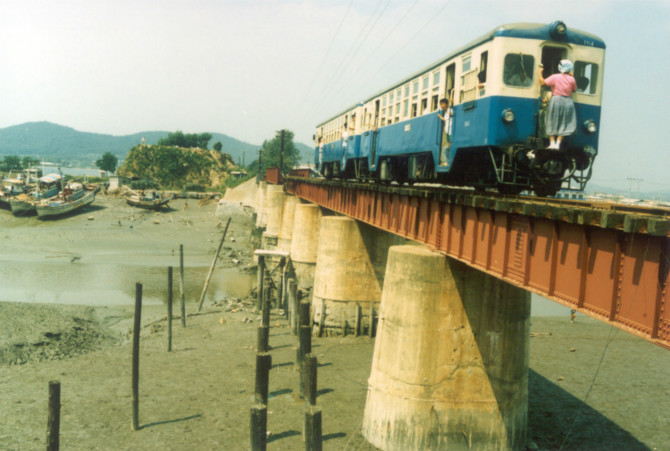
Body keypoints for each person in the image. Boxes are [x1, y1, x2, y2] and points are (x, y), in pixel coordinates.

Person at [538, 59, 577, 150]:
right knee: (564, 122)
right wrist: (571, 77)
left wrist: (540, 73)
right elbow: (574, 90)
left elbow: (542, 82)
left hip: (556, 99)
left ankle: (552, 143)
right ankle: (558, 144)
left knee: (551, 120)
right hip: (568, 101)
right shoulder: (572, 79)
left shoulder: (555, 77)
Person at [436, 97, 452, 166]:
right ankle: (447, 161)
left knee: (446, 148)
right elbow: (446, 119)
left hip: (450, 132)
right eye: (441, 104)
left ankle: (446, 161)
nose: (441, 106)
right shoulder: (446, 113)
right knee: (447, 147)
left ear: (446, 104)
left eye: (443, 104)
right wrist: (440, 117)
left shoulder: (449, 110)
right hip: (448, 132)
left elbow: (451, 114)